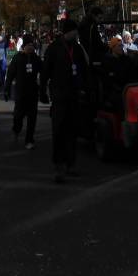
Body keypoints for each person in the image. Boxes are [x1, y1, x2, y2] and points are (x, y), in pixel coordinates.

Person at [41, 18, 89, 182]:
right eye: (74, 31)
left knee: (72, 131)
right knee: (59, 130)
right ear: (68, 31)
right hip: (59, 95)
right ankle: (58, 165)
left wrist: (84, 87)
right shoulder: (54, 48)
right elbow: (46, 70)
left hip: (74, 95)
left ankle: (71, 163)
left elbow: (83, 69)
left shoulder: (77, 48)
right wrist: (43, 91)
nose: (76, 34)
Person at [5, 33, 42, 149]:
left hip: (33, 93)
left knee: (32, 118)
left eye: (32, 45)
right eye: (28, 45)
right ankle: (16, 130)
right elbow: (10, 74)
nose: (30, 47)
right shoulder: (17, 58)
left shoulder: (36, 59)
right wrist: (7, 89)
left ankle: (29, 139)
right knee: (18, 116)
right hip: (20, 92)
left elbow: (44, 72)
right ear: (24, 46)